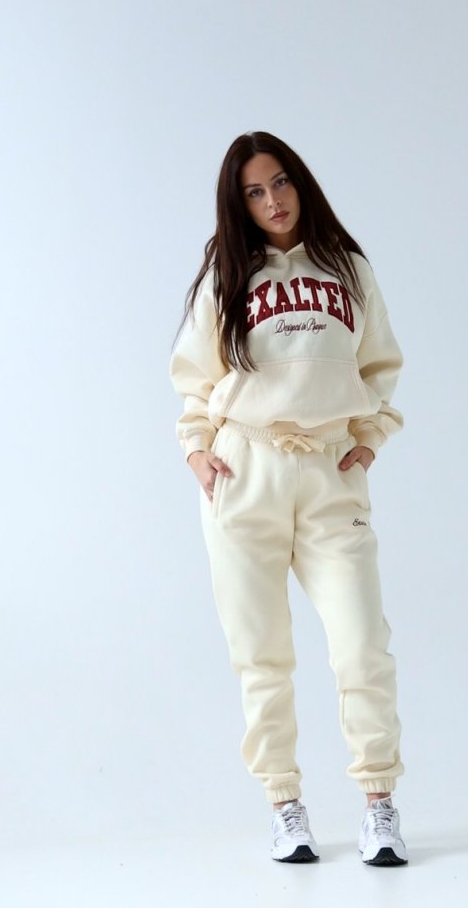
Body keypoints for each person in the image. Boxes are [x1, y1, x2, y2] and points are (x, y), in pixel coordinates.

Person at [169, 131, 408, 866]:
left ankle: (379, 802)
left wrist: (370, 435)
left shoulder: (347, 269)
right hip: (245, 470)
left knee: (361, 642)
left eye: (280, 182)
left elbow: (380, 363)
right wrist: (198, 451)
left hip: (330, 470)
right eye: (254, 192)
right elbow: (194, 377)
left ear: (300, 182)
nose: (272, 201)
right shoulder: (226, 277)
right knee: (261, 652)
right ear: (237, 204)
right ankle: (285, 804)